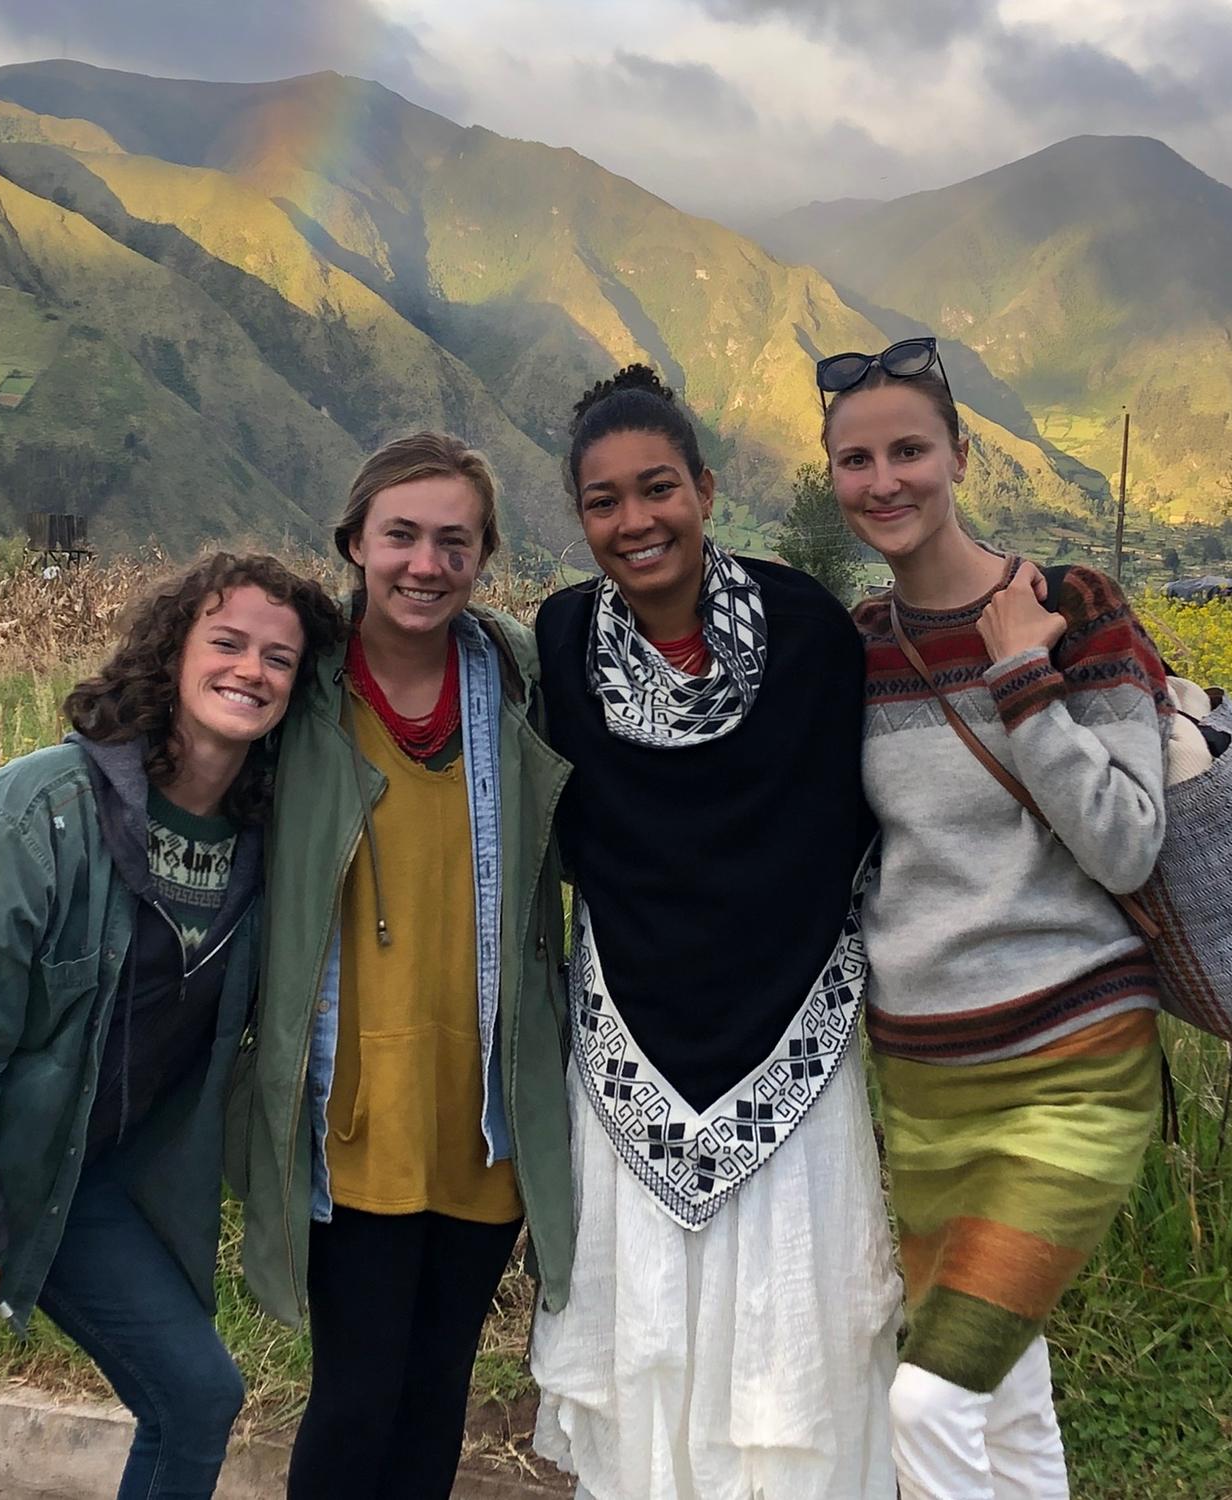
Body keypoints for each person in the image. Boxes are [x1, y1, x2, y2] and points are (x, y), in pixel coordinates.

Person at [0, 552, 341, 1500]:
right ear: (172, 655)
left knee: (196, 1397)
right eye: (227, 642)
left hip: (60, 1166)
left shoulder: (267, 845)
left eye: (279, 659)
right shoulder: (44, 806)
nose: (251, 670)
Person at [529, 365, 901, 1500]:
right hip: (629, 1030)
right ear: (581, 517)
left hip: (791, 1031)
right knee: (645, 1332)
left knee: (790, 1330)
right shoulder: (560, 641)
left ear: (704, 487)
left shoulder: (807, 629)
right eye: (603, 502)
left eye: (658, 488)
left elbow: (856, 816)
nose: (635, 521)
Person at [818, 337, 1171, 1499]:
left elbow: (1126, 840)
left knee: (927, 1397)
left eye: (909, 451)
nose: (884, 482)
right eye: (856, 460)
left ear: (962, 456)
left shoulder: (1071, 608)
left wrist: (1022, 679)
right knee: (1005, 1395)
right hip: (927, 1079)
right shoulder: (860, 647)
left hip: (1072, 1069)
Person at [233, 433, 575, 1500]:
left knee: (437, 1395)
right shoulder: (299, 691)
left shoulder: (517, 683)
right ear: (355, 543)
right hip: (354, 1114)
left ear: (485, 556)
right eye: (402, 536)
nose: (427, 565)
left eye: (454, 542)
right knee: (357, 1397)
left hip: (483, 1112)